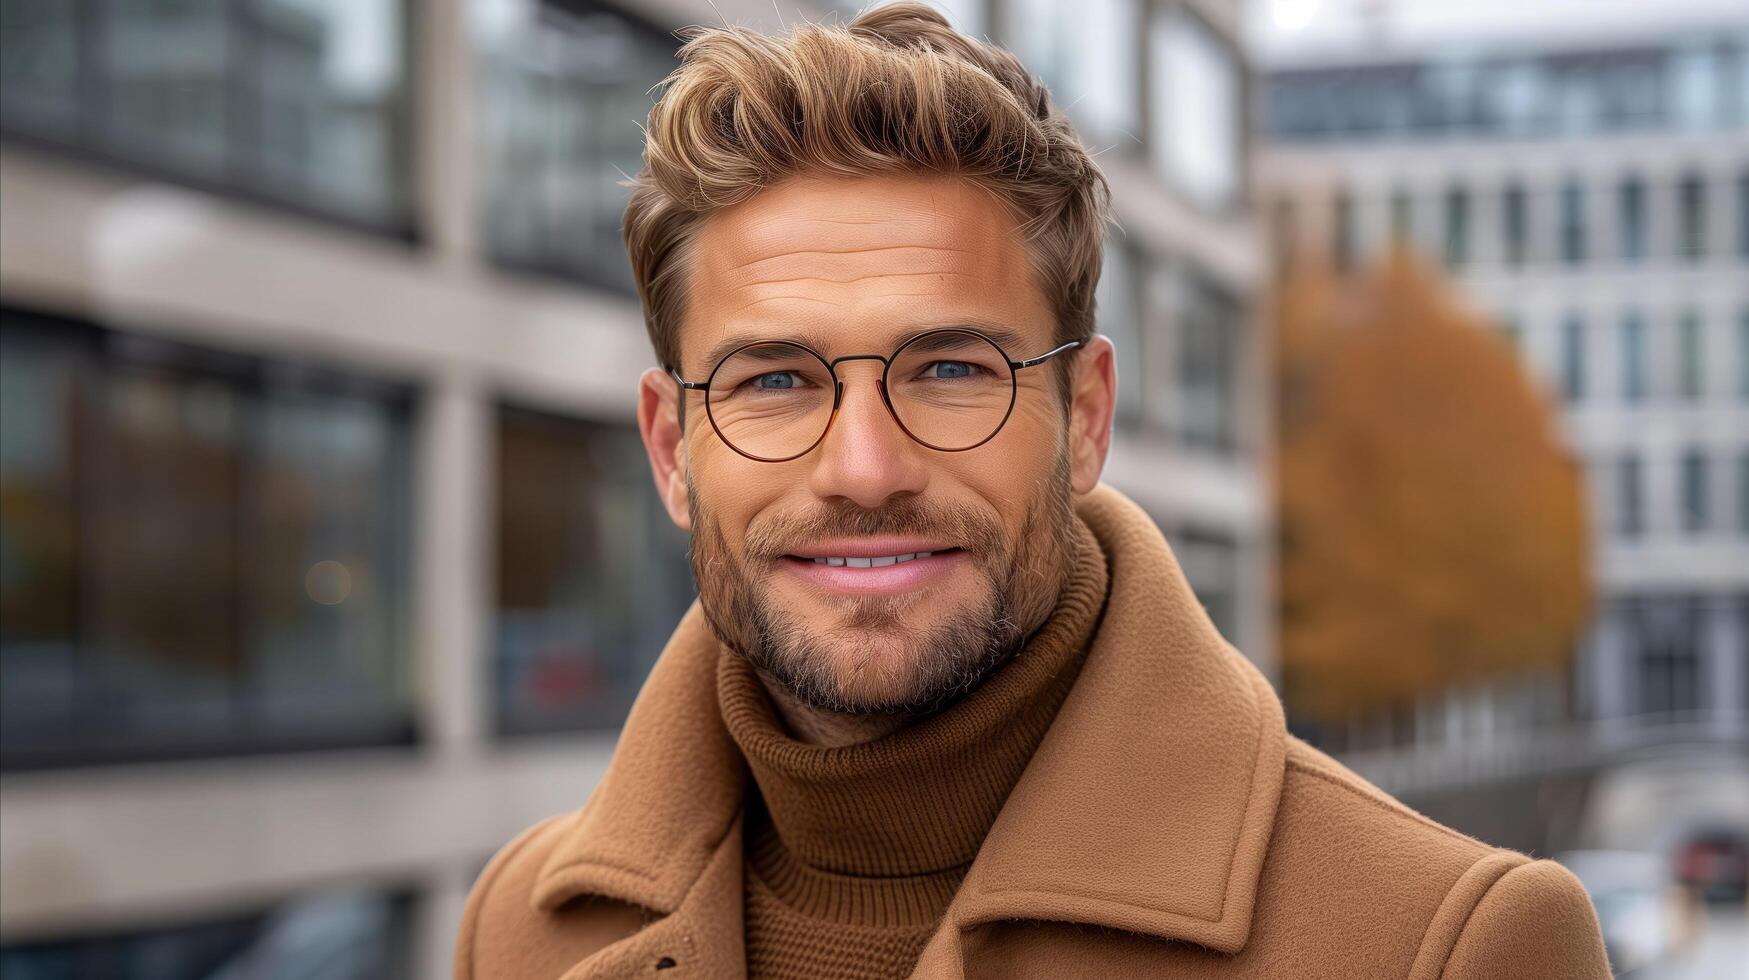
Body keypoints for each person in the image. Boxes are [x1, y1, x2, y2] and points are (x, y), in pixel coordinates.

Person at [454, 4, 1610, 977]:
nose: (864, 469)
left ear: (1087, 418)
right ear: (669, 446)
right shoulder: (516, 928)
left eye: (953, 370)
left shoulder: (1443, 942)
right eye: (775, 381)